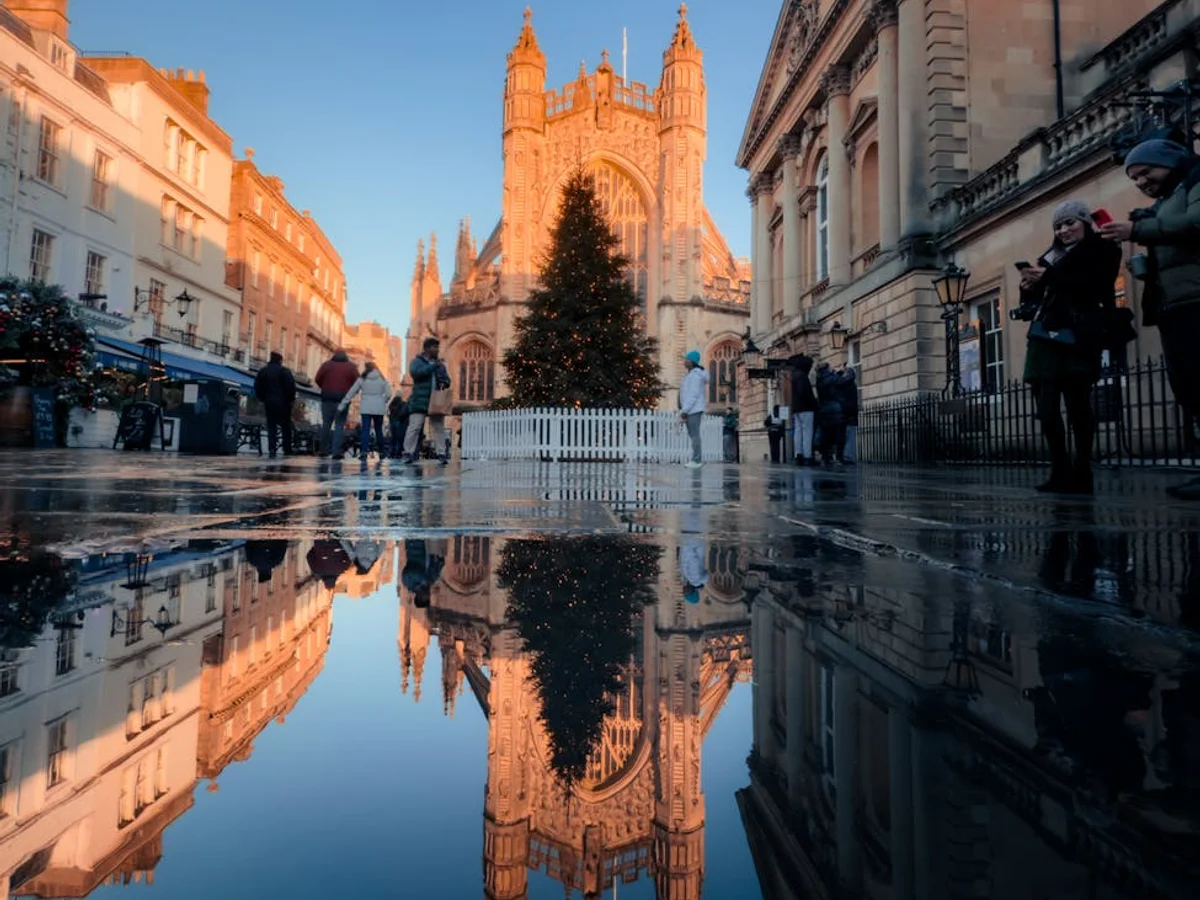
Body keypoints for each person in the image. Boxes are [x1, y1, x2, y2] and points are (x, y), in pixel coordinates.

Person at [1101, 138, 1200, 500]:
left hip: (1195, 300)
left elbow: (1196, 223)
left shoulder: (1195, 181)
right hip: (1174, 303)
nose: (1141, 182)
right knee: (1189, 388)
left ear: (1170, 162)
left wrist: (1139, 231)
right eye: (1134, 178)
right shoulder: (1167, 200)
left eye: (1146, 172)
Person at [1021, 199, 1122, 494]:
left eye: (1069, 223)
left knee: (1079, 405)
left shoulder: (1103, 249)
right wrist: (1027, 287)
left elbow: (1096, 285)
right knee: (1047, 408)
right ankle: (1059, 469)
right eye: (1058, 225)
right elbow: (1040, 294)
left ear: (1085, 223)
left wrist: (1050, 277)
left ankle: (1082, 471)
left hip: (1079, 333)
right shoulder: (1051, 254)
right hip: (1045, 335)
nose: (1063, 230)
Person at [403, 337, 452, 465]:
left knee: (438, 428)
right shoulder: (416, 361)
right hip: (420, 399)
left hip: (436, 400)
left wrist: (445, 382)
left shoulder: (440, 364)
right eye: (434, 347)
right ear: (427, 349)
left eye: (438, 347)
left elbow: (447, 379)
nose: (437, 350)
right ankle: (408, 452)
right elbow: (416, 373)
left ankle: (441, 453)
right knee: (415, 427)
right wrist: (432, 367)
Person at [339, 360, 391, 462]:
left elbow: (352, 391)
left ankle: (363, 452)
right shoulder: (382, 379)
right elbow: (388, 394)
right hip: (379, 407)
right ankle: (382, 452)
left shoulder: (362, 379)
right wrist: (382, 400)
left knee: (365, 430)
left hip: (366, 407)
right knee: (379, 430)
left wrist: (342, 404)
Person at [314, 349, 359, 459]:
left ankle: (322, 450)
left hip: (327, 397)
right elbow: (357, 383)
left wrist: (325, 387)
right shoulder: (351, 367)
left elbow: (317, 379)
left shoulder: (326, 365)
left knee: (326, 424)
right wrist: (350, 393)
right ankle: (336, 451)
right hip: (343, 398)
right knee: (339, 424)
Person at [252, 351, 296, 459]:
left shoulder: (263, 371)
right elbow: (291, 387)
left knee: (271, 426)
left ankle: (272, 448)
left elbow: (257, 387)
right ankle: (287, 448)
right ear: (280, 360)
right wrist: (290, 400)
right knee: (286, 426)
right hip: (283, 403)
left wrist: (263, 398)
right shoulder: (284, 371)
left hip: (269, 402)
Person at [679, 350, 710, 468]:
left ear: (692, 362)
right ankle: (695, 459)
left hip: (694, 409)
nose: (684, 362)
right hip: (691, 409)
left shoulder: (696, 375)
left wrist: (685, 411)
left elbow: (693, 394)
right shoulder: (691, 374)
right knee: (693, 435)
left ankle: (697, 460)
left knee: (695, 435)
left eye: (686, 359)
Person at [788, 354, 818, 465]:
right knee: (807, 432)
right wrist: (814, 403)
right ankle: (808, 456)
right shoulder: (802, 376)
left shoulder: (794, 375)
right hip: (806, 408)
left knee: (798, 432)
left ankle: (798, 454)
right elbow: (804, 393)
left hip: (796, 408)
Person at [815, 362, 845, 466]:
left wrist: (837, 372)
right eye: (830, 367)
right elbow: (839, 381)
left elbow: (834, 380)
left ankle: (826, 457)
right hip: (834, 411)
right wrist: (843, 371)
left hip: (824, 411)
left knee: (826, 436)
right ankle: (838, 457)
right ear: (827, 369)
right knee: (838, 436)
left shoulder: (819, 379)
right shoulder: (828, 378)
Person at [837, 367, 859, 464]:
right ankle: (848, 457)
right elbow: (852, 402)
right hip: (850, 414)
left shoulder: (841, 384)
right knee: (850, 436)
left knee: (843, 437)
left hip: (842, 414)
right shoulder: (850, 385)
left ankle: (842, 456)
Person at [388, 392, 410, 459]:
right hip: (399, 422)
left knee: (393, 439)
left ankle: (392, 453)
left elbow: (389, 413)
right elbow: (404, 413)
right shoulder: (403, 403)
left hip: (392, 423)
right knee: (399, 439)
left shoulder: (391, 404)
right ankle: (398, 453)